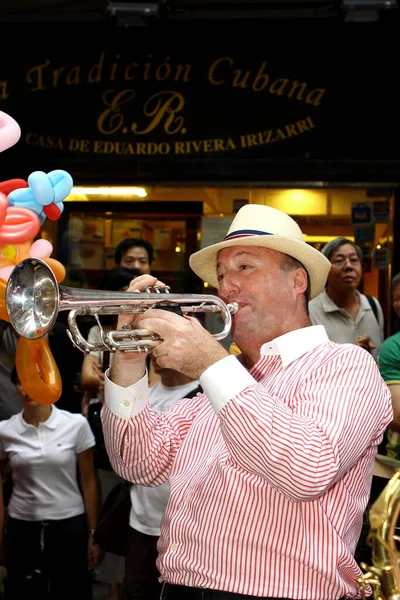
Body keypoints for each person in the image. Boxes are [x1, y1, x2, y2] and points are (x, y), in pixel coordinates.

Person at [101, 204, 392, 600]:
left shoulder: (344, 365)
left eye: (245, 268)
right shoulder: (220, 383)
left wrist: (211, 363)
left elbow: (307, 468)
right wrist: (128, 357)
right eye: (221, 275)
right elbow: (137, 461)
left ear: (298, 281)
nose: (226, 287)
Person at [0, 367, 99, 599]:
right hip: (22, 526)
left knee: (70, 590)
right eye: (21, 382)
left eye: (34, 381)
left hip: (68, 526)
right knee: (22, 592)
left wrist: (93, 533)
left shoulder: (75, 424)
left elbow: (88, 480)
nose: (27, 389)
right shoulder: (5, 430)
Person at [81, 265, 140, 600]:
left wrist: (111, 379)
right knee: (111, 508)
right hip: (106, 427)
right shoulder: (98, 331)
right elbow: (88, 378)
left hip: (137, 420)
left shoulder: (146, 326)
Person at [122, 356, 202, 600]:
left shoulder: (206, 396)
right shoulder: (142, 397)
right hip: (143, 523)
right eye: (152, 348)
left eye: (164, 344)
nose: (156, 353)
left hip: (189, 531)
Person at [309, 237, 384, 361]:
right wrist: (350, 355)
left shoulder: (373, 305)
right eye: (339, 260)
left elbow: (380, 357)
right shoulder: (310, 310)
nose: (348, 266)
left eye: (354, 260)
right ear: (325, 269)